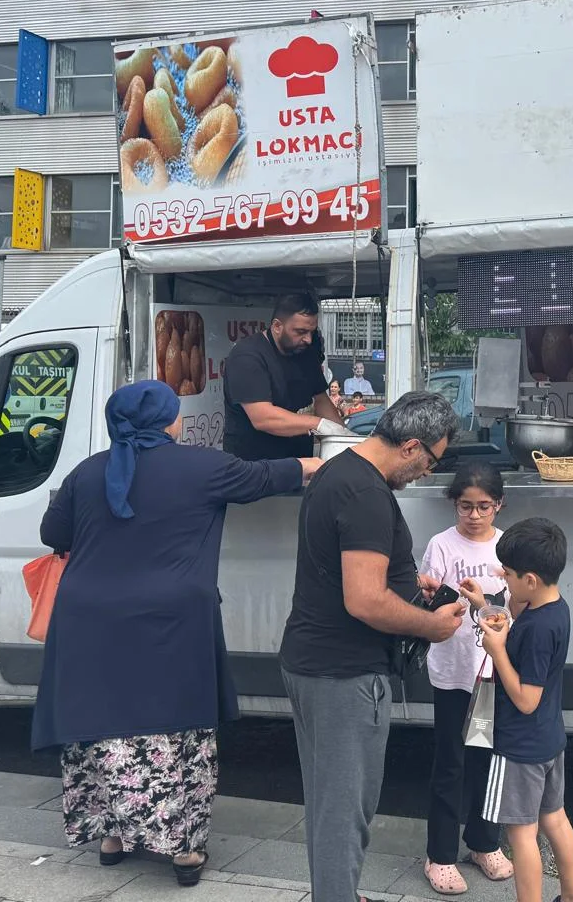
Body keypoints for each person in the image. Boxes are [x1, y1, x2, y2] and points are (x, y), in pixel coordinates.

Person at [32, 381, 320, 887]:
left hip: (88, 622)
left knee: (100, 722)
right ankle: (183, 849)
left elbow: (52, 534)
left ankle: (112, 836)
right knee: (174, 726)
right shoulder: (204, 467)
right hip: (169, 623)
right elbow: (276, 475)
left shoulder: (88, 471)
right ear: (169, 422)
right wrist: (338, 460)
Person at [279, 391, 469, 902]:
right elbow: (364, 600)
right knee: (346, 810)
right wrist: (429, 626)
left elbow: (358, 575)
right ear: (410, 445)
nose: (429, 472)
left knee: (329, 803)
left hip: (315, 661)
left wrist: (411, 590)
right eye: (431, 460)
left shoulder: (341, 473)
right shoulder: (363, 495)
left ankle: (336, 892)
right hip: (344, 672)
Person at [471, 518, 573, 902]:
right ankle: (571, 898)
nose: (506, 579)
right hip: (549, 739)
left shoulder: (534, 628)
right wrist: (484, 604)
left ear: (530, 579)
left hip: (519, 747)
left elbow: (526, 699)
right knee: (556, 819)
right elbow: (517, 604)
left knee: (521, 834)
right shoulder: (556, 609)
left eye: (511, 574)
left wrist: (497, 650)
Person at [420, 465, 513, 895]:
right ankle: (439, 855)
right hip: (453, 673)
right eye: (465, 506)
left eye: (483, 507)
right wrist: (432, 597)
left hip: (493, 673)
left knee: (488, 761)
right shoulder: (441, 544)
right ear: (454, 504)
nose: (474, 515)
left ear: (499, 505)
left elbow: (515, 607)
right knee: (449, 762)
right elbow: (430, 601)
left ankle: (483, 842)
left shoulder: (506, 548)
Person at [223, 291, 345, 462]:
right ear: (277, 326)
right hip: (254, 469)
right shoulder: (247, 356)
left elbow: (320, 399)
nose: (308, 339)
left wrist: (342, 437)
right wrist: (317, 424)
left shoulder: (305, 353)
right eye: (300, 331)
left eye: (311, 331)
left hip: (299, 464)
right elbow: (263, 418)